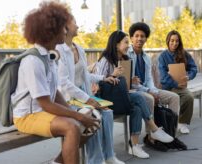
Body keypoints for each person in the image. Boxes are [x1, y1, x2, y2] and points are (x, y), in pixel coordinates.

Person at [11, 2, 99, 164]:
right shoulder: (33, 61)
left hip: (43, 111)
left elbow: (55, 92)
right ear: (50, 31)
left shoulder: (49, 56)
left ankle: (57, 162)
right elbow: (45, 103)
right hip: (27, 116)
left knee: (92, 120)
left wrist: (73, 111)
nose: (66, 31)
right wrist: (77, 115)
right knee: (72, 126)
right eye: (63, 27)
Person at [56, 15, 124, 164]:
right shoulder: (58, 51)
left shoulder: (79, 49)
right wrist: (88, 100)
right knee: (93, 115)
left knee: (107, 112)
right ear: (65, 27)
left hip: (82, 95)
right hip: (68, 99)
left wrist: (103, 78)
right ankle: (95, 160)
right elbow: (64, 83)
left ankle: (109, 156)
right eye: (74, 22)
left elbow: (85, 74)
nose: (78, 25)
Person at [96, 30, 174, 159]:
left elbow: (126, 85)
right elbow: (98, 83)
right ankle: (154, 129)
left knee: (136, 108)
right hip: (107, 100)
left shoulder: (126, 59)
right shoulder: (106, 60)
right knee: (138, 97)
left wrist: (131, 81)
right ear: (116, 44)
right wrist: (112, 75)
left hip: (122, 96)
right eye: (126, 42)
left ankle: (134, 145)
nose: (128, 45)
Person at [126, 22, 181, 150]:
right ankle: (151, 136)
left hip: (147, 88)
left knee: (174, 97)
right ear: (132, 38)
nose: (139, 38)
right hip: (135, 91)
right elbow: (132, 83)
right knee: (150, 98)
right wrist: (150, 91)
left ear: (146, 38)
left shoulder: (146, 57)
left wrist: (154, 91)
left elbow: (149, 78)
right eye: (137, 36)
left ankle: (171, 132)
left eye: (143, 36)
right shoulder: (126, 55)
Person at [158, 30, 197, 134]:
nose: (174, 43)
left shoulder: (184, 54)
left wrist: (188, 76)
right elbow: (163, 77)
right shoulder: (162, 56)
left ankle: (182, 123)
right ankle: (168, 124)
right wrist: (176, 84)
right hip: (167, 87)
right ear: (168, 41)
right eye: (172, 41)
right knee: (173, 98)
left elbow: (194, 68)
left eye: (177, 41)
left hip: (181, 87)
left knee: (189, 96)